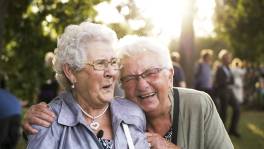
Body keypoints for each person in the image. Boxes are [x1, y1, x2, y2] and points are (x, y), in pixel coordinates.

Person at [23, 36, 234, 149]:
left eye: (151, 73)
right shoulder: (121, 110)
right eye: (130, 78)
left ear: (170, 75)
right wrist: (35, 121)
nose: (142, 85)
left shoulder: (198, 104)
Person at [26, 21, 149, 149]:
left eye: (113, 62)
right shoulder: (47, 122)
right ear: (71, 72)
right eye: (100, 64)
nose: (111, 72)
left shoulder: (133, 113)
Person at [213, 49, 241, 138]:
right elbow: (218, 82)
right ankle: (221, 134)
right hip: (222, 92)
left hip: (229, 91)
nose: (229, 59)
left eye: (229, 57)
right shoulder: (219, 68)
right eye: (227, 58)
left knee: (237, 109)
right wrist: (227, 82)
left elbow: (231, 80)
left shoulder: (229, 68)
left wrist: (229, 82)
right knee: (224, 113)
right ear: (223, 59)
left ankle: (232, 129)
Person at [0, 77, 22, 149]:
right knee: (12, 140)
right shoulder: (6, 92)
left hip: (5, 115)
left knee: (2, 139)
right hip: (17, 113)